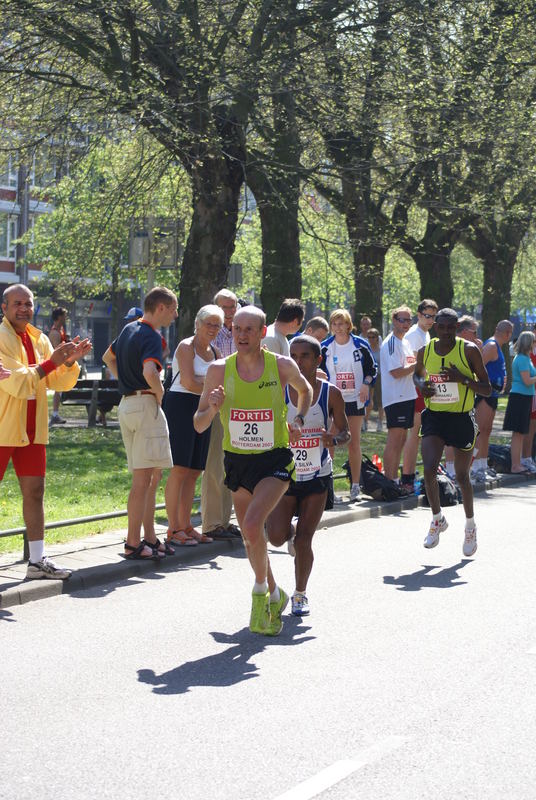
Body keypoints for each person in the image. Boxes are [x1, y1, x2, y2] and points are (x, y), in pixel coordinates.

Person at [194, 305, 312, 636]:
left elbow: (306, 391)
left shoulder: (281, 365)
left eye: (249, 330)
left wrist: (298, 418)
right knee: (250, 538)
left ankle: (260, 596)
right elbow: (199, 424)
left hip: (274, 458)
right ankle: (276, 593)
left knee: (249, 523)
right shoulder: (219, 371)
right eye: (237, 330)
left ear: (262, 333)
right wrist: (213, 407)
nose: (242, 335)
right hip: (237, 461)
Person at [0, 284, 91, 579]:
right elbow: (15, 381)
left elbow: (59, 383)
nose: (24, 308)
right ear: (4, 307)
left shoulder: (39, 339)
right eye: (17, 303)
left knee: (36, 492)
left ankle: (37, 562)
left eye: (28, 303)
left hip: (32, 430)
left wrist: (70, 360)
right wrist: (53, 362)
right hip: (3, 429)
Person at [265, 335, 350, 616]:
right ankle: (288, 534)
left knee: (305, 540)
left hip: (317, 476)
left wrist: (333, 440)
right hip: (285, 477)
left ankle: (300, 594)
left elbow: (346, 432)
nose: (298, 361)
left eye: (305, 356)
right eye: (294, 356)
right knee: (276, 537)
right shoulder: (278, 391)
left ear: (318, 360)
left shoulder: (330, 393)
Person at [102, 287, 178, 560]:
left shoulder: (128, 330)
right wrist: (159, 393)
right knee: (144, 479)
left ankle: (147, 538)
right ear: (160, 308)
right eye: (173, 309)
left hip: (127, 405)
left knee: (146, 478)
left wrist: (125, 380)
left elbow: (107, 357)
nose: (175, 314)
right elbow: (150, 371)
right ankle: (134, 542)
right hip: (145, 404)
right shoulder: (151, 335)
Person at [414, 308, 491, 556]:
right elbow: (417, 377)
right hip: (435, 416)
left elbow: (488, 389)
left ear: (457, 327)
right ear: (435, 326)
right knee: (428, 469)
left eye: (451, 327)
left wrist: (462, 379)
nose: (446, 332)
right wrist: (422, 387)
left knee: (461, 476)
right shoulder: (425, 351)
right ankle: (437, 519)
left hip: (461, 417)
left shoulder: (468, 350)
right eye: (442, 327)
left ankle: (470, 525)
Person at [164, 304, 223, 545]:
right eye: (208, 323)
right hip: (181, 407)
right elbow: (188, 382)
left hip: (204, 408)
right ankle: (173, 528)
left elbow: (221, 381)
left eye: (217, 325)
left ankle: (187, 525)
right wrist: (210, 387)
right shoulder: (186, 347)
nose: (212, 328)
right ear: (197, 324)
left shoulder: (217, 352)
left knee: (195, 470)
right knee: (179, 468)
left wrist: (207, 387)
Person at [321, 308, 377, 501]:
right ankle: (329, 488)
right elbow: (317, 372)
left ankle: (355, 485)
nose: (338, 328)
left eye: (341, 323)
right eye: (334, 324)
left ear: (348, 324)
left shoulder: (360, 345)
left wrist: (365, 385)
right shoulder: (325, 347)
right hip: (333, 400)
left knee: (353, 441)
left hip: (355, 399)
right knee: (331, 440)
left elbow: (372, 370)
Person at [200, 289, 241, 541]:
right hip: (216, 404)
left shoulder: (240, 332)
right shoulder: (211, 335)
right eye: (224, 308)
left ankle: (225, 520)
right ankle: (212, 522)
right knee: (214, 465)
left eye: (232, 307)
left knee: (230, 464)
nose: (229, 313)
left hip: (237, 405)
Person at [400, 299, 438, 491]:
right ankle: (406, 477)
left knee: (422, 435)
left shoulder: (426, 333)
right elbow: (417, 367)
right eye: (427, 316)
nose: (431, 320)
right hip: (415, 389)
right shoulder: (414, 335)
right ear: (419, 315)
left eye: (433, 316)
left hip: (424, 387)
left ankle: (413, 474)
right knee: (414, 435)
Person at [471, 320, 513, 482]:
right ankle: (475, 468)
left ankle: (482, 465)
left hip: (494, 394)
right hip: (485, 394)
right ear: (508, 334)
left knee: (486, 431)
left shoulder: (497, 347)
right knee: (480, 430)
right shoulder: (492, 345)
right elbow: (477, 365)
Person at [380, 306, 416, 483]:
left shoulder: (406, 342)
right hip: (396, 398)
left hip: (408, 396)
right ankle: (389, 480)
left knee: (402, 440)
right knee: (394, 441)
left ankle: (395, 479)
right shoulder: (391, 343)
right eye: (402, 320)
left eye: (408, 320)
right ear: (394, 321)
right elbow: (396, 372)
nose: (405, 324)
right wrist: (419, 364)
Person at [444, 315, 481, 478]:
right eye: (474, 332)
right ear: (465, 331)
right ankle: (451, 470)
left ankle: (460, 470)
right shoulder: (452, 345)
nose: (477, 336)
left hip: (466, 398)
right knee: (449, 434)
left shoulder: (470, 347)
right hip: (450, 397)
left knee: (467, 434)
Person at [502, 330, 536, 473]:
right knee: (518, 432)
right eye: (534, 341)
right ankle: (515, 465)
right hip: (519, 397)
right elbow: (527, 381)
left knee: (521, 432)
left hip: (525, 397)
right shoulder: (521, 358)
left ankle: (519, 462)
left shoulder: (526, 358)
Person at [48, 306, 69, 425]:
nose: (65, 318)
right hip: (56, 365)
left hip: (60, 364)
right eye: (64, 315)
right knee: (58, 389)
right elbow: (57, 350)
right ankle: (55, 414)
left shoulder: (60, 331)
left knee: (59, 389)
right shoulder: (54, 333)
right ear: (59, 317)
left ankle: (56, 414)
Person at [365, 327, 384, 431]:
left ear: (377, 338)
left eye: (373, 337)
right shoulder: (366, 349)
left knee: (381, 400)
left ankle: (380, 423)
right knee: (368, 400)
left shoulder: (382, 350)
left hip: (380, 375)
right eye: (369, 337)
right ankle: (365, 421)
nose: (371, 339)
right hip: (369, 376)